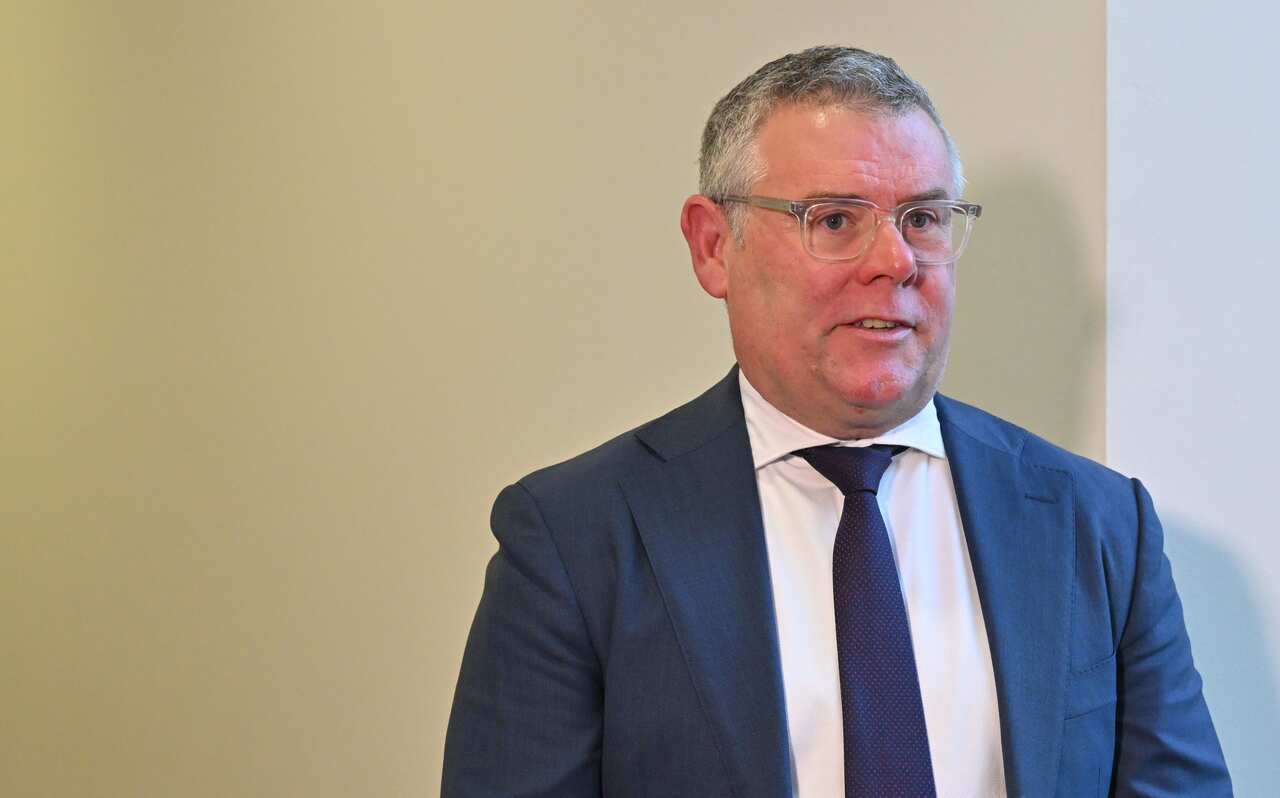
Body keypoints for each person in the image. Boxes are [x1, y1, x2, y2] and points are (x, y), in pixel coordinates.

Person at [441, 46, 1231, 797]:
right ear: (714, 247)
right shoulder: (576, 538)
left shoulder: (1098, 523)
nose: (895, 261)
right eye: (834, 220)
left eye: (922, 218)